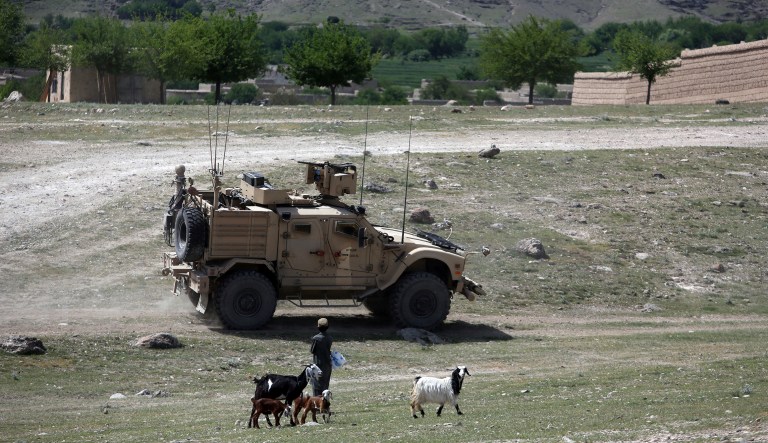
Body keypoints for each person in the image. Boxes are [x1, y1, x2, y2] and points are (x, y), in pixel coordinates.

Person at [310, 317, 333, 396]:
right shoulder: (330, 338)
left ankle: (317, 404)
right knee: (325, 385)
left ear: (318, 327)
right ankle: (324, 404)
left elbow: (312, 350)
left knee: (316, 386)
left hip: (318, 364)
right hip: (327, 364)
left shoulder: (316, 338)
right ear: (328, 327)